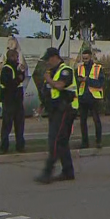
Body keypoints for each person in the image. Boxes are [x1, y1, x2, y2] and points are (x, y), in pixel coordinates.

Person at [36, 47, 78, 184]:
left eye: (48, 59)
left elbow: (60, 86)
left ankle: (48, 172)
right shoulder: (52, 72)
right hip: (54, 110)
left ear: (55, 57)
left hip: (65, 109)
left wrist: (48, 80)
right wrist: (42, 105)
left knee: (55, 140)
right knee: (61, 142)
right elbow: (47, 92)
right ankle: (68, 171)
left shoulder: (66, 70)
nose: (47, 62)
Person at [76, 48, 104, 149]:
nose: (85, 60)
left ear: (90, 57)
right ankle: (84, 142)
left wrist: (87, 80)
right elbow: (76, 83)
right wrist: (80, 80)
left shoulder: (98, 68)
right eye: (83, 58)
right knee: (82, 121)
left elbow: (100, 83)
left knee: (96, 120)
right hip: (83, 97)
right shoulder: (79, 68)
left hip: (94, 98)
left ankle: (98, 141)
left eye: (86, 58)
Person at [0, 49, 26, 153]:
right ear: (11, 57)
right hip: (9, 101)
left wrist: (21, 75)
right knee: (7, 125)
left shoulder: (16, 68)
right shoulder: (7, 69)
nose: (17, 59)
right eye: (16, 57)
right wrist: (18, 79)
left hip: (17, 101)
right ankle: (4, 146)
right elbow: (9, 84)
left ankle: (20, 145)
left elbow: (20, 78)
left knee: (19, 125)